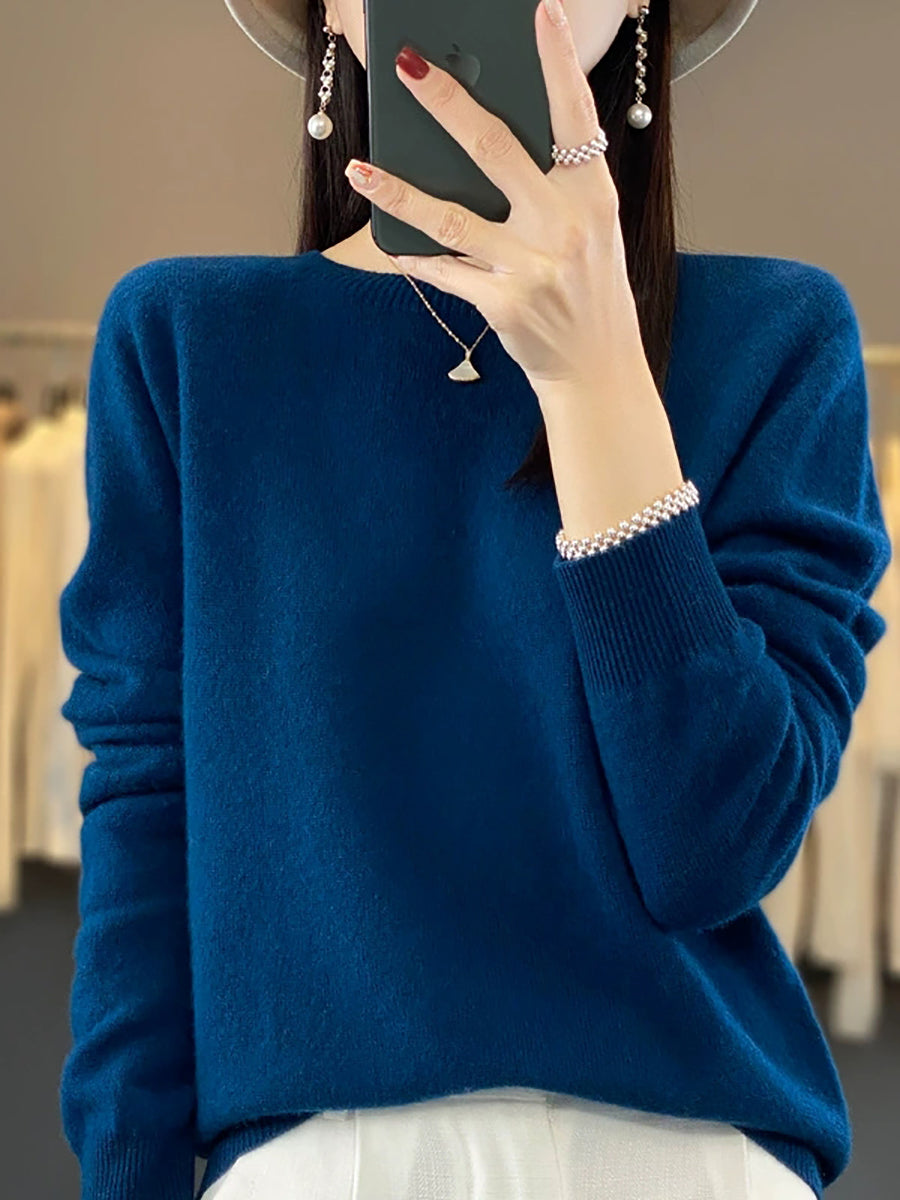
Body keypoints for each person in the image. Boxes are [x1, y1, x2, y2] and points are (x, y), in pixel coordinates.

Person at [57, 1, 892, 1198]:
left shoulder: (780, 340)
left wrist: (598, 383)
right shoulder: (188, 342)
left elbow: (713, 848)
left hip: (695, 1158)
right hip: (324, 1164)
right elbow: (147, 809)